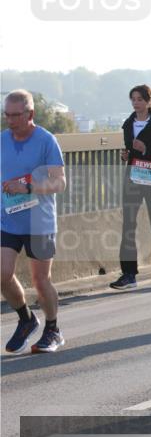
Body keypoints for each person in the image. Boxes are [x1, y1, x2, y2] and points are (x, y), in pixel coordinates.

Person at [2, 89, 67, 353]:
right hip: (8, 220)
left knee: (40, 280)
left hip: (40, 222)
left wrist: (27, 187)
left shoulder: (46, 141)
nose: (10, 120)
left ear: (31, 114)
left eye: (16, 115)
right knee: (2, 274)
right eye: (6, 115)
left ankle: (53, 329)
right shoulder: (2, 140)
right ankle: (26, 319)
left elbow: (59, 183)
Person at [109, 85, 151, 291]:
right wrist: (127, 156)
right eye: (133, 99)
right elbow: (131, 150)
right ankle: (129, 274)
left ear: (148, 101)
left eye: (139, 99)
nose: (136, 103)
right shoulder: (128, 124)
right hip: (134, 178)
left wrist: (146, 149)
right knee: (128, 225)